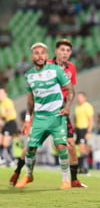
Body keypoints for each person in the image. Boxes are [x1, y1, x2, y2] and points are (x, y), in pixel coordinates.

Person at [10, 39, 86, 188]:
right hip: (39, 115)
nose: (65, 53)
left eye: (68, 50)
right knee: (30, 146)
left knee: (65, 144)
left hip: (59, 112)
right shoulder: (31, 74)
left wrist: (67, 106)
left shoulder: (66, 69)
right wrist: (27, 118)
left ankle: (71, 179)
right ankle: (21, 172)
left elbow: (70, 89)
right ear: (55, 52)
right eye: (62, 50)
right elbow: (31, 99)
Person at [74, 92, 94, 174]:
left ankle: (84, 167)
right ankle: (81, 167)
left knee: (83, 148)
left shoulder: (87, 106)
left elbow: (91, 119)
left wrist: (88, 131)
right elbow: (75, 118)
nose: (78, 99)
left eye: (80, 97)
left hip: (84, 129)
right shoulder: (77, 107)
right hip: (78, 129)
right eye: (78, 97)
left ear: (84, 98)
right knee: (79, 148)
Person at [0, 87, 18, 165]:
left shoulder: (7, 101)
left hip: (10, 122)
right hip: (5, 124)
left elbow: (9, 112)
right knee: (0, 140)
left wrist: (3, 119)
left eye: (1, 93)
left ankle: (13, 160)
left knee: (5, 143)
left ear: (5, 94)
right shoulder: (1, 104)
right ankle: (2, 158)